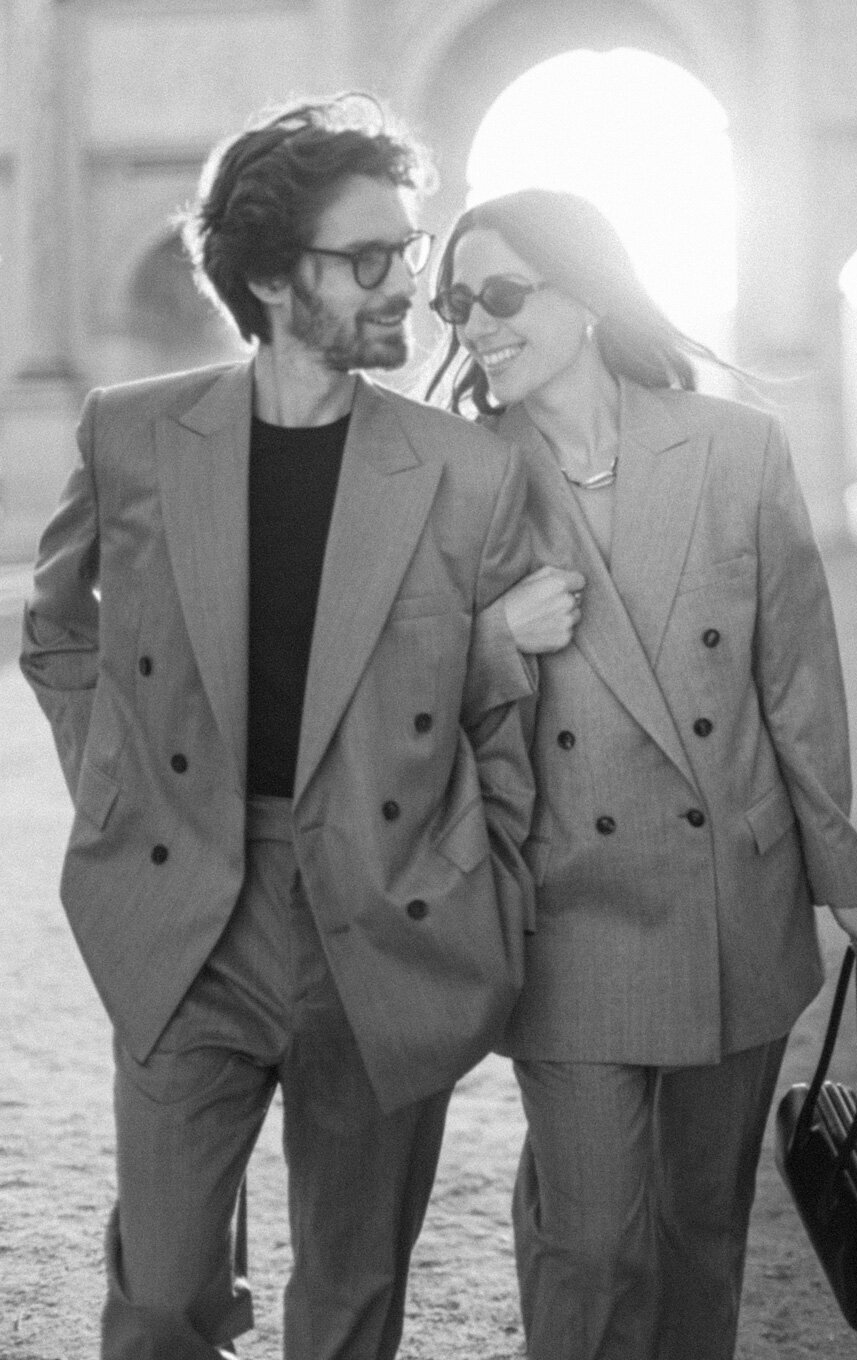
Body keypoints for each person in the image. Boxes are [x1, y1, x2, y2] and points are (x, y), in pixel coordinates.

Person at [20, 96, 538, 1360]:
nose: (405, 285)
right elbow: (57, 625)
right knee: (160, 1296)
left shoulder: (464, 469)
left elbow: (503, 709)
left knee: (352, 1299)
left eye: (407, 252)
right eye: (368, 259)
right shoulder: (133, 431)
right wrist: (114, 786)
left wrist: (484, 877)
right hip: (187, 898)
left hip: (387, 905)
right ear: (266, 276)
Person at [427, 188, 857, 1360]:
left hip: (731, 896)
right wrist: (492, 641)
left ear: (587, 294)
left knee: (702, 1226)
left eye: (503, 292)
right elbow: (396, 690)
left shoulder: (738, 448)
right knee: (592, 1240)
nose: (476, 322)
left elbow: (796, 675)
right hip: (564, 904)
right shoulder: (457, 477)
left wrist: (841, 873)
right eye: (455, 300)